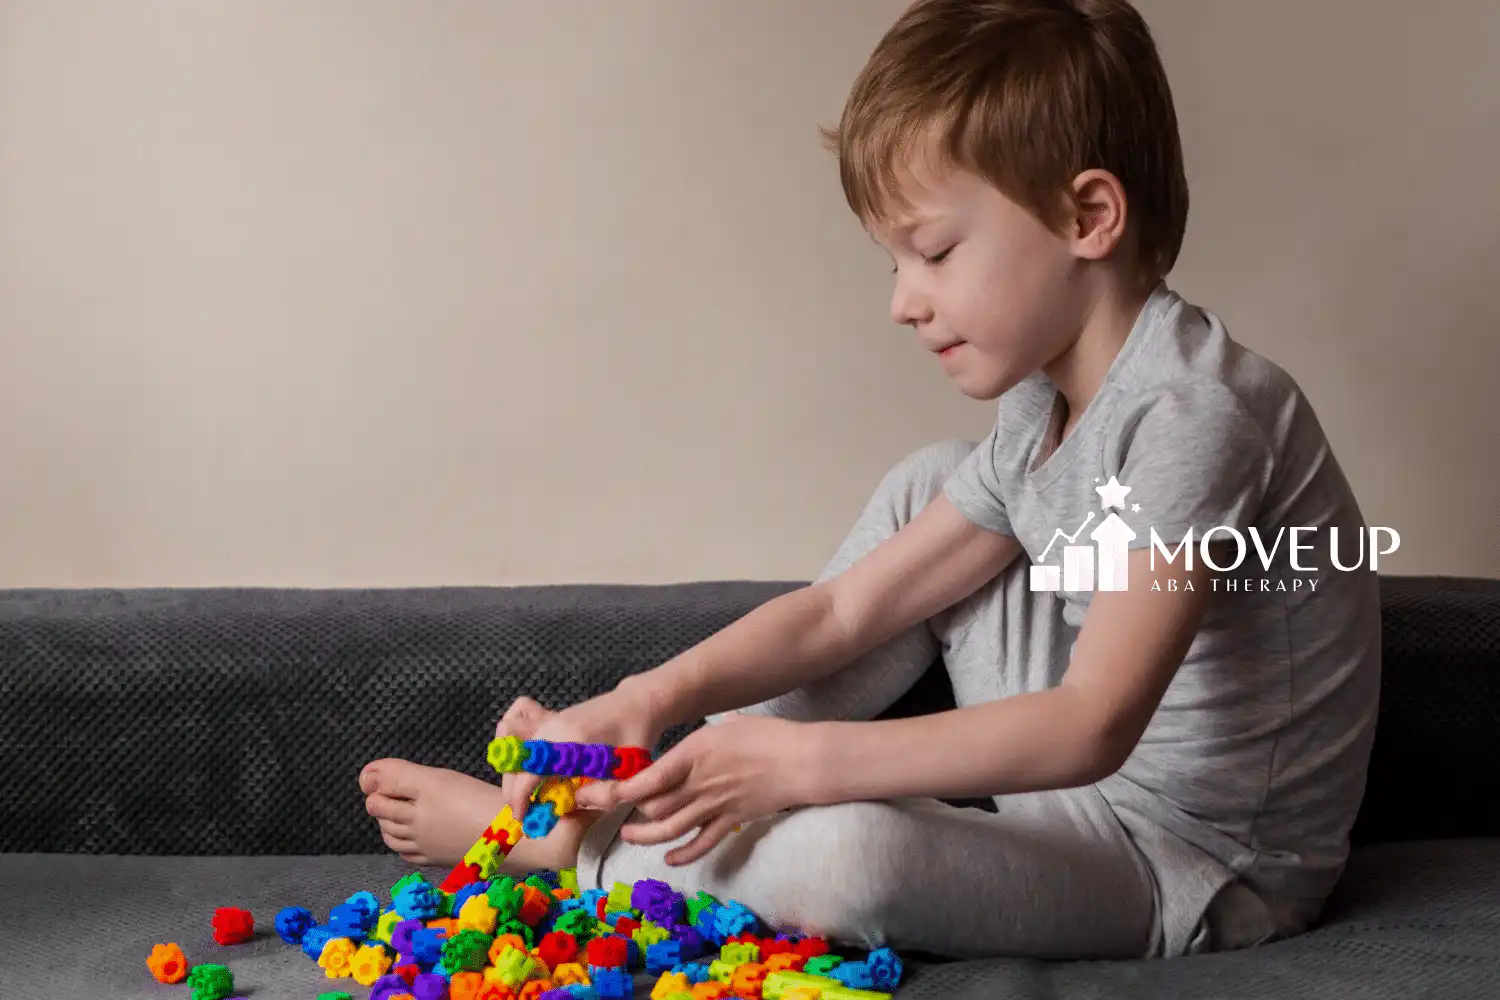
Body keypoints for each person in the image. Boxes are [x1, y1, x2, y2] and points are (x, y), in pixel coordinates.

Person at [359, 0, 1382, 961]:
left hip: (1192, 868)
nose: (903, 301)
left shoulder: (1194, 412)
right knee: (931, 481)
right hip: (1083, 792)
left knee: (855, 854)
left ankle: (579, 852)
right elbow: (846, 611)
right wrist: (645, 697)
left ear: (1088, 216)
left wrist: (805, 766)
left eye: (933, 252)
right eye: (896, 263)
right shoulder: (1042, 404)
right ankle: (662, 795)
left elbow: (1092, 723)